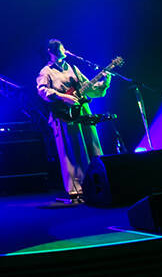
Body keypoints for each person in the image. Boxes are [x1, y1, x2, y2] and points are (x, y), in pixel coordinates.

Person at [36, 38, 111, 201]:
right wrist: (63, 97)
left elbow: (89, 88)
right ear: (51, 51)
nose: (64, 50)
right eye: (60, 47)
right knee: (72, 150)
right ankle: (77, 189)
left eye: (63, 47)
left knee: (92, 146)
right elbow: (42, 91)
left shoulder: (73, 68)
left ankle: (98, 183)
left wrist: (104, 82)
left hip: (82, 111)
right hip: (64, 114)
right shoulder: (46, 71)